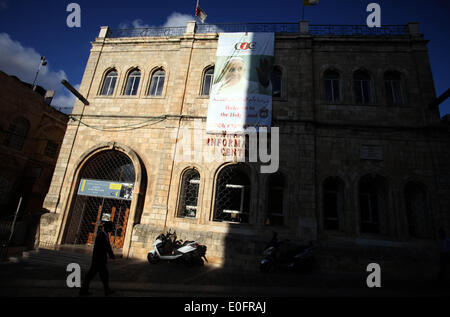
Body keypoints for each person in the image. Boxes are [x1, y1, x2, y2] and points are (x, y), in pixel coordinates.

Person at [79, 221, 116, 296]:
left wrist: (111, 254)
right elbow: (104, 247)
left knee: (100, 275)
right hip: (99, 259)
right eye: (111, 227)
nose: (112, 229)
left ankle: (85, 290)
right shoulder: (101, 235)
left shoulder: (104, 235)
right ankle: (84, 290)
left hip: (99, 259)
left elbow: (107, 246)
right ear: (108, 228)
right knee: (96, 275)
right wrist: (110, 254)